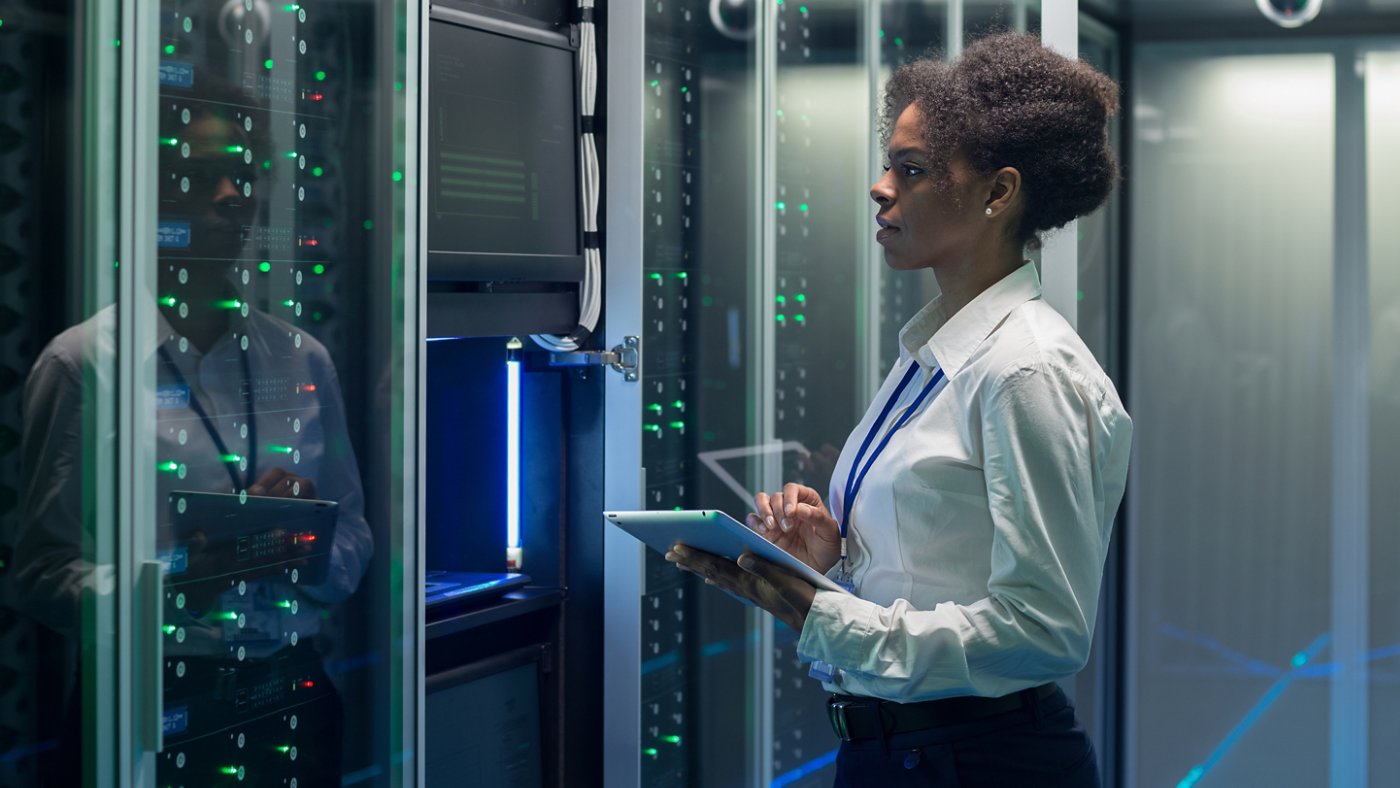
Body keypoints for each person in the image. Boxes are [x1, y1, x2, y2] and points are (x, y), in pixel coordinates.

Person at [668, 33, 1132, 787]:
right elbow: (931, 579)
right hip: (901, 752)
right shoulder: (935, 354)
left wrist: (822, 616)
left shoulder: (1025, 370)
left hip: (981, 762)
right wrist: (826, 565)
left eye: (910, 170)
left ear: (998, 193)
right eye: (889, 164)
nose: (881, 187)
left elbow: (1044, 631)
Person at [12, 92, 371, 786]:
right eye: (203, 175)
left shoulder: (300, 358)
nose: (233, 195)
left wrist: (307, 538)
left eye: (243, 174)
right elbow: (38, 576)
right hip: (150, 697)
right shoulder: (84, 363)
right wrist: (179, 580)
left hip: (290, 690)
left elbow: (355, 536)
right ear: (150, 193)